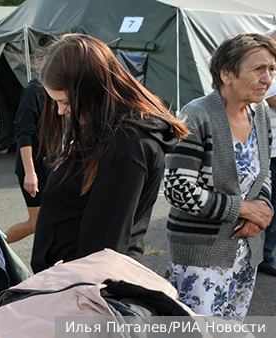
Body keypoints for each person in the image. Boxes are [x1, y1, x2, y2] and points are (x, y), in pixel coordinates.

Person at [30, 34, 189, 274]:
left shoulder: (126, 143)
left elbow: (105, 242)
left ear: (90, 88)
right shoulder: (105, 128)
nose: (62, 111)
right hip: (71, 281)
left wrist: (79, 289)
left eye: (65, 101)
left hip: (84, 290)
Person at [164, 33, 276, 318]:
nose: (268, 78)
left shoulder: (259, 112)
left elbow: (264, 173)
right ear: (226, 73)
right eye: (258, 69)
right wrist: (242, 209)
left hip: (245, 253)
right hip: (201, 257)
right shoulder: (197, 114)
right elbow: (178, 189)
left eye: (272, 69)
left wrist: (260, 212)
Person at [5, 33, 56, 244]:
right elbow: (23, 133)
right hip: (34, 167)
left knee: (52, 221)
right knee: (35, 223)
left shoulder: (59, 91)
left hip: (52, 165)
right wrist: (30, 172)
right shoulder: (34, 91)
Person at [259, 29, 276, 277]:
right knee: (267, 201)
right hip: (269, 149)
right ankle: (262, 255)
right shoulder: (266, 71)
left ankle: (266, 253)